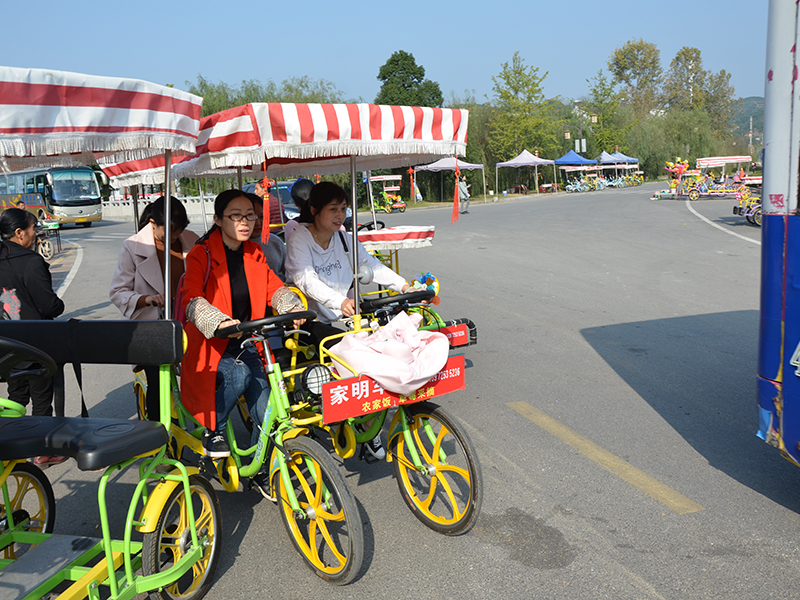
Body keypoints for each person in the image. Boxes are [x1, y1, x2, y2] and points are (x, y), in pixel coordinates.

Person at [179, 189, 304, 496]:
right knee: (240, 376)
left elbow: (273, 287)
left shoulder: (254, 252)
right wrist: (218, 322)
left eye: (250, 215)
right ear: (219, 219)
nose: (245, 221)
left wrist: (292, 306)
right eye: (236, 215)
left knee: (267, 404)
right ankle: (215, 430)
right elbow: (190, 298)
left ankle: (264, 469)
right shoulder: (201, 253)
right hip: (212, 346)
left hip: (250, 341)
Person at [285, 182, 411, 459]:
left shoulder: (345, 238)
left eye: (343, 209)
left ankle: (370, 415)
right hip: (312, 320)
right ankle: (367, 423)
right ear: (315, 210)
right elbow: (305, 279)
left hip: (348, 315)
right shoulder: (300, 238)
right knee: (355, 357)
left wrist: (404, 286)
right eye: (333, 209)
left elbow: (372, 266)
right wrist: (338, 301)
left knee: (388, 343)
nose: (340, 215)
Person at [109, 196, 199, 421]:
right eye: (169, 231)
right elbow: (118, 292)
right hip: (151, 325)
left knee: (200, 377)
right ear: (152, 223)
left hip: (190, 322)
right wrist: (146, 299)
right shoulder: (132, 246)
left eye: (179, 231)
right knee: (158, 383)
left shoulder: (193, 241)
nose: (175, 237)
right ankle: (157, 436)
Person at [0, 208, 65, 466]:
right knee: (41, 397)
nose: (35, 232)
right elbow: (49, 305)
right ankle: (42, 449)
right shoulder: (30, 261)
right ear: (19, 233)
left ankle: (9, 446)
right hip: (34, 344)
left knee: (15, 396)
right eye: (32, 228)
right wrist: (58, 305)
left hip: (5, 346)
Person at [245, 192, 286, 281]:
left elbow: (289, 273)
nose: (258, 223)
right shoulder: (234, 246)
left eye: (261, 217)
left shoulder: (275, 242)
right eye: (252, 216)